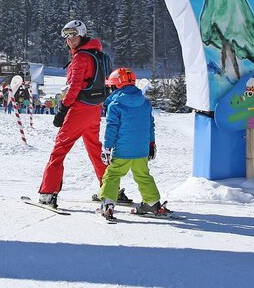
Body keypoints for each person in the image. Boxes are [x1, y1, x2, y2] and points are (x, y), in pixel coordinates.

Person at [38, 19, 131, 208]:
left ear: (82, 34)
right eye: (66, 36)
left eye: (73, 35)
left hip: (80, 108)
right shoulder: (98, 54)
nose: (69, 39)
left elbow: (74, 87)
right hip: (95, 108)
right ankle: (110, 189)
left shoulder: (81, 58)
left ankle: (49, 192)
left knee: (60, 149)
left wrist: (63, 109)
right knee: (95, 148)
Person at [97, 67, 167, 221]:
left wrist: (107, 148)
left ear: (116, 85)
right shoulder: (145, 103)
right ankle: (153, 203)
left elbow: (111, 128)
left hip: (123, 150)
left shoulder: (115, 105)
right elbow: (150, 124)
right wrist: (151, 144)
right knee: (143, 175)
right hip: (141, 150)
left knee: (113, 174)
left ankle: (108, 204)